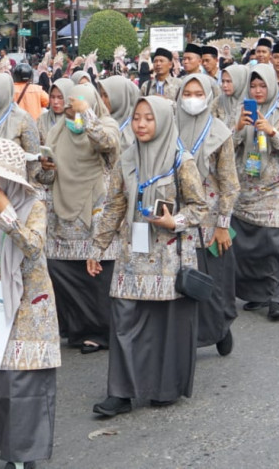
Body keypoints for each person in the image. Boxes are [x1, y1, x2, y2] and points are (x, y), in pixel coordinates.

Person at [89, 96, 208, 417]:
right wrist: (97, 247)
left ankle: (164, 387)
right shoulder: (127, 159)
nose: (141, 124)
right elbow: (114, 204)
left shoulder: (181, 161)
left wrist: (175, 221)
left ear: (164, 121)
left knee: (165, 325)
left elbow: (199, 207)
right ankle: (121, 393)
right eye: (137, 117)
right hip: (132, 253)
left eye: (148, 118)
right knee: (124, 319)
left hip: (169, 257)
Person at [0, 138, 59, 469]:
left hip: (32, 304)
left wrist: (7, 211)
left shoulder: (35, 205)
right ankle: (13, 454)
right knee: (4, 383)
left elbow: (33, 247)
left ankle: (27, 455)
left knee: (29, 381)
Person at [41, 83, 120, 356]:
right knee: (62, 270)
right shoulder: (56, 130)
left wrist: (87, 115)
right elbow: (45, 178)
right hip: (62, 211)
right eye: (71, 112)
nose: (73, 118)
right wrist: (45, 168)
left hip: (94, 207)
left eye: (77, 110)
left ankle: (99, 332)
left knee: (95, 276)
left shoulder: (107, 124)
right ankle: (76, 328)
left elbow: (107, 144)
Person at [175, 74, 239, 354]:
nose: (192, 98)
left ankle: (219, 329)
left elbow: (229, 183)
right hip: (177, 218)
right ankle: (187, 339)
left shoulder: (220, 132)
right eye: (186, 93)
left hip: (210, 219)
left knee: (212, 282)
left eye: (198, 93)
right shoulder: (169, 127)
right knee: (182, 283)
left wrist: (223, 224)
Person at [231, 68, 279, 322]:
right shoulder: (239, 112)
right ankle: (257, 292)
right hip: (247, 186)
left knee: (276, 242)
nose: (258, 91)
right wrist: (238, 128)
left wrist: (272, 132)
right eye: (254, 86)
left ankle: (277, 298)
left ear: (271, 85)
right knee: (248, 244)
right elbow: (223, 148)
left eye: (262, 85)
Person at [0, 73, 43, 186]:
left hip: (14, 186)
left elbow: (33, 161)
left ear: (3, 93)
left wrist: (35, 191)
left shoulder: (22, 119)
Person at [217, 65, 250, 131]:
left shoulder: (250, 104)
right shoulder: (220, 101)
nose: (224, 85)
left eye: (229, 81)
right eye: (223, 81)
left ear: (241, 81)